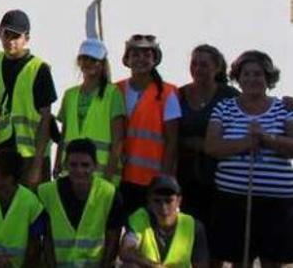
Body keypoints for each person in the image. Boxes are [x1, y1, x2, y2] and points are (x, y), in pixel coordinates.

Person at [203, 50, 293, 266]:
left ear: (268, 78)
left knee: (272, 262)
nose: (252, 79)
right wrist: (244, 143)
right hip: (233, 198)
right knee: (239, 260)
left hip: (278, 202)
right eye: (246, 74)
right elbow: (211, 146)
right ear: (238, 78)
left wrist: (267, 139)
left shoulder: (284, 108)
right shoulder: (224, 108)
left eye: (258, 74)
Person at [0, 10, 57, 187]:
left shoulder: (38, 69)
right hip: (4, 148)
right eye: (6, 34)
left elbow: (45, 118)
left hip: (32, 155)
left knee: (31, 209)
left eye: (16, 36)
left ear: (26, 38)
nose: (10, 41)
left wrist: (37, 165)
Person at [176, 44, 238, 226]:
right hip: (185, 176)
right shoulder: (178, 95)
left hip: (221, 176)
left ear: (217, 67)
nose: (197, 69)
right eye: (194, 64)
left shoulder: (230, 97)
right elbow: (169, 133)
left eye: (203, 64)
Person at [37, 139, 125, 267]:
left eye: (85, 165)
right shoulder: (47, 192)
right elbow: (46, 239)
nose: (79, 170)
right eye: (73, 164)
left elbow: (113, 240)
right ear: (65, 164)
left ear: (95, 166)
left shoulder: (109, 194)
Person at [117, 34, 180, 211]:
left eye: (147, 55)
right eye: (135, 54)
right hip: (121, 175)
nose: (141, 59)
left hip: (152, 180)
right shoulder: (117, 89)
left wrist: (165, 179)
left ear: (155, 60)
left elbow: (172, 140)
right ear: (127, 59)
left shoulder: (167, 93)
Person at [54, 39, 125, 185]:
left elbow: (118, 139)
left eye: (94, 60)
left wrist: (109, 176)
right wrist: (58, 163)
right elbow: (64, 135)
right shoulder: (70, 95)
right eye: (84, 58)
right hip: (72, 171)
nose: (88, 63)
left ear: (102, 64)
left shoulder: (112, 94)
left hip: (101, 173)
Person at [119, 175, 209, 267]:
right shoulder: (140, 218)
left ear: (179, 201)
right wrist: (153, 265)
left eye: (169, 201)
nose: (163, 208)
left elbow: (201, 265)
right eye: (157, 201)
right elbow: (126, 250)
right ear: (149, 200)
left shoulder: (194, 227)